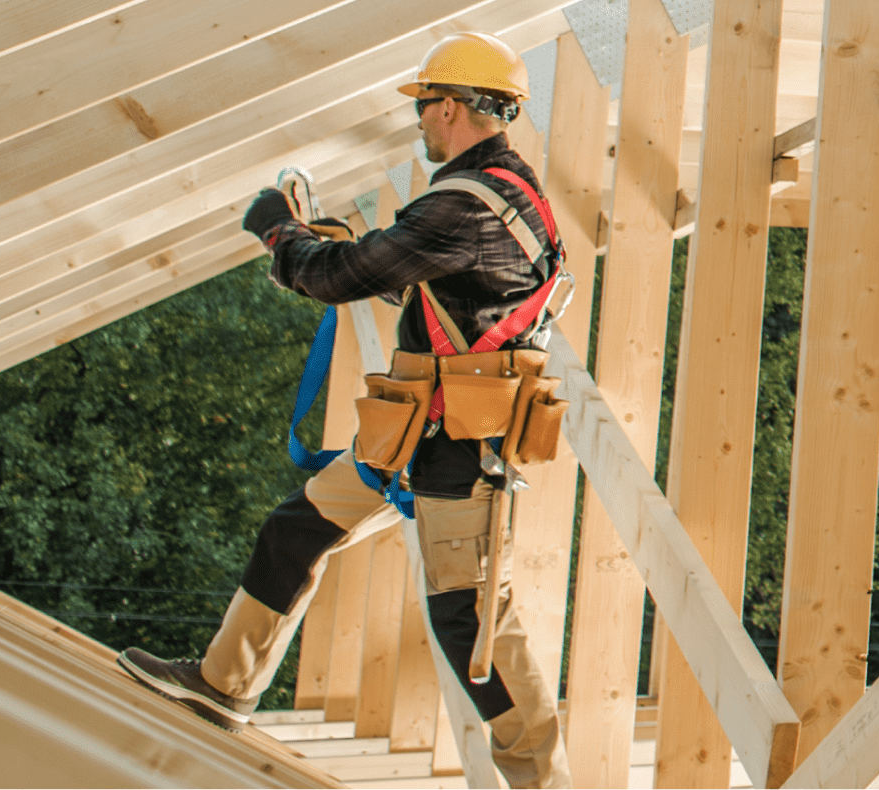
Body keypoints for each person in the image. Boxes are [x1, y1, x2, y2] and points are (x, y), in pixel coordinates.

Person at [116, 31, 573, 789]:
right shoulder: (506, 194)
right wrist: (352, 250)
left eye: (425, 107)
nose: (420, 122)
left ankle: (542, 783)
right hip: (416, 432)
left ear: (453, 106)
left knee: (472, 624)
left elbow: (336, 277)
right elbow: (428, 290)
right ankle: (225, 685)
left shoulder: (464, 201)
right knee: (297, 530)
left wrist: (279, 231)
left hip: (455, 444)